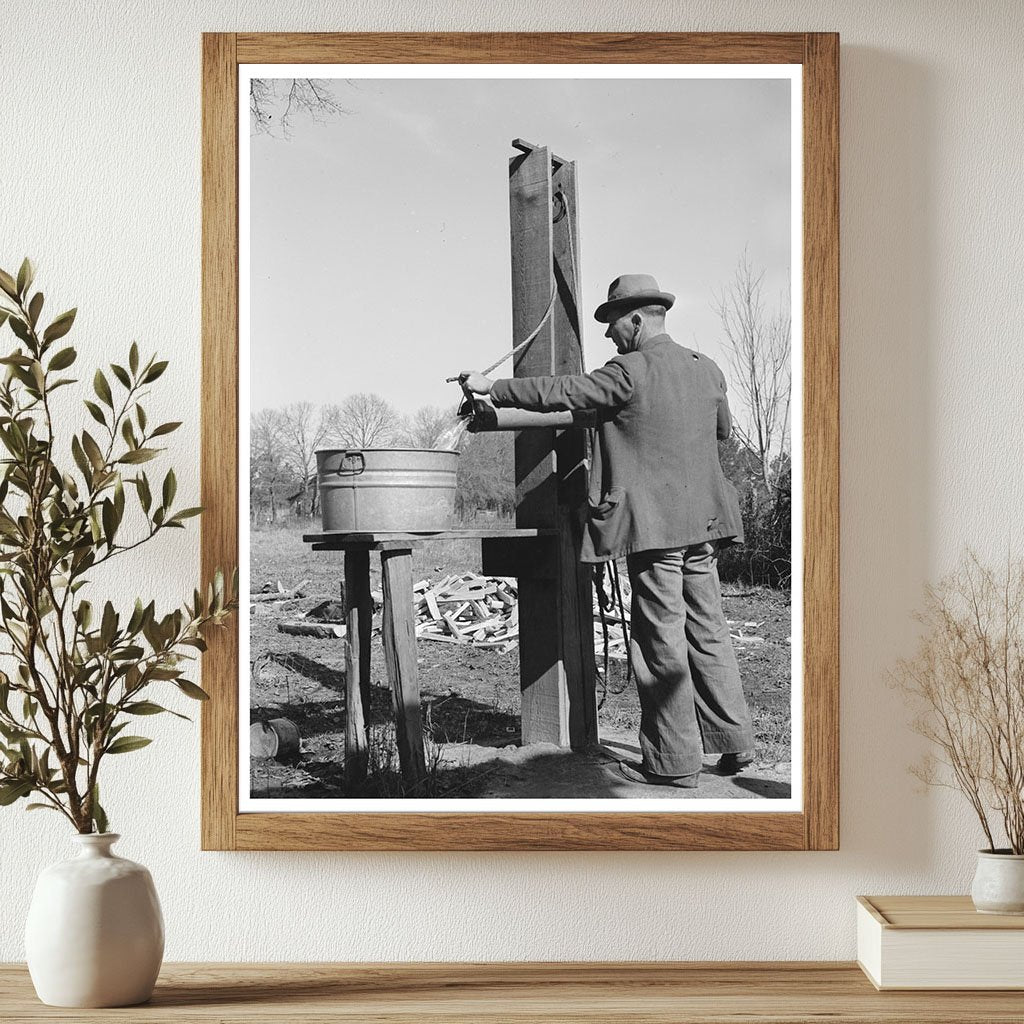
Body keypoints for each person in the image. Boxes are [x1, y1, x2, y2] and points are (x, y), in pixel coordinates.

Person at [460, 274, 755, 788]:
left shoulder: (628, 372)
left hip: (653, 531)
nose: (608, 336)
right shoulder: (707, 369)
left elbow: (561, 392)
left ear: (637, 320)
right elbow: (722, 432)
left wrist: (494, 387)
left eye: (612, 324)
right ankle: (735, 743)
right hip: (704, 528)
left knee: (660, 641)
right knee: (708, 632)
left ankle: (673, 763)